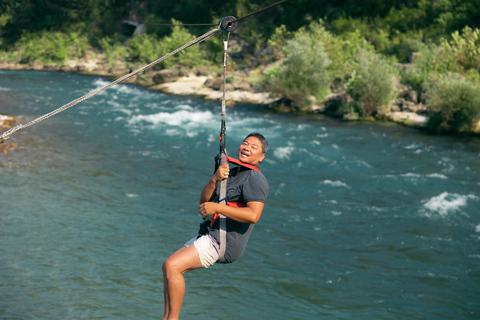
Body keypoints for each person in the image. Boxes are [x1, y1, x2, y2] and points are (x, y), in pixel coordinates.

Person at [162, 132, 270, 320]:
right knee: (168, 268)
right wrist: (215, 179)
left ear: (261, 157)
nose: (247, 148)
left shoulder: (255, 179)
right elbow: (204, 202)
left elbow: (254, 215)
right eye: (245, 143)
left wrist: (218, 207)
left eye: (254, 147)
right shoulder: (232, 172)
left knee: (172, 266)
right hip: (210, 233)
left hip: (223, 242)